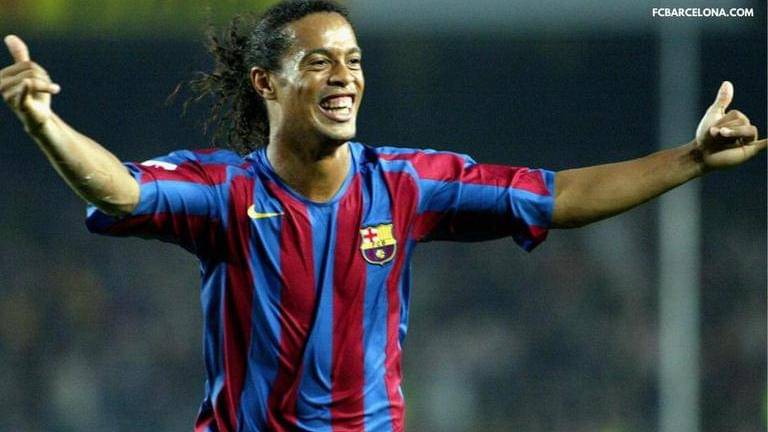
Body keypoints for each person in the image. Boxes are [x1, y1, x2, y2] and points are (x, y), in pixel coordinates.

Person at [1, 0, 764, 431]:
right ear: (266, 83)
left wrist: (691, 159)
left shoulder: (405, 183)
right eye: (320, 61)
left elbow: (557, 196)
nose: (345, 76)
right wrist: (45, 124)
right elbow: (121, 191)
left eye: (355, 60)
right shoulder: (225, 192)